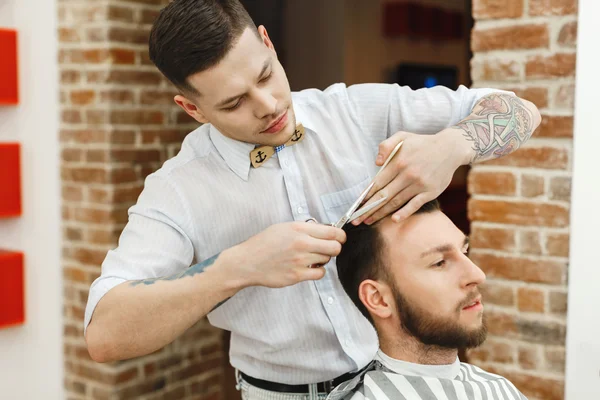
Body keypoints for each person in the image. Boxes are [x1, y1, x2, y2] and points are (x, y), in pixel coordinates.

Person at [83, 0, 541, 398]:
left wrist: (453, 146)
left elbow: (521, 110)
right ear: (192, 109)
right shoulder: (178, 189)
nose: (267, 105)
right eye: (233, 103)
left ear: (267, 42)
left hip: (400, 376)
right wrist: (238, 267)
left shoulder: (355, 111)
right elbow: (105, 334)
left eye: (266, 75)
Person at [329, 200, 527, 400]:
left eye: (465, 251)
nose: (477, 275)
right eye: (439, 262)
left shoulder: (500, 390)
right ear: (379, 299)